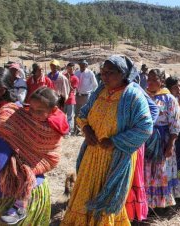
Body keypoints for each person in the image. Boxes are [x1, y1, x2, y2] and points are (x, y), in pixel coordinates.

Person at [61, 55, 153, 225]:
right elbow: (83, 114)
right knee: (85, 194)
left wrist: (114, 141)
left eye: (110, 73)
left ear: (123, 73)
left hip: (115, 157)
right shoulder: (100, 91)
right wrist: (87, 130)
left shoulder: (133, 95)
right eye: (103, 72)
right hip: (92, 154)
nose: (104, 77)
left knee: (107, 198)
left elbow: (145, 127)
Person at [0, 67, 52, 225]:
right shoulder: (7, 111)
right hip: (15, 193)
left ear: (1, 90)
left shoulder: (5, 119)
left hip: (18, 200)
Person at [0, 87, 68, 224]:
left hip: (46, 158)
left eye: (39, 111)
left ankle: (20, 206)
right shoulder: (28, 114)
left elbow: (48, 138)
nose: (34, 114)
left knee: (24, 171)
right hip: (29, 154)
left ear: (53, 110)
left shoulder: (56, 122)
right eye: (31, 108)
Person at [144, 69, 180, 209]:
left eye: (154, 80)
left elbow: (176, 122)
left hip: (162, 141)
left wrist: (171, 144)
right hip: (145, 140)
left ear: (161, 82)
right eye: (149, 79)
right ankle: (147, 203)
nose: (150, 82)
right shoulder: (143, 95)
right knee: (147, 170)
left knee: (161, 170)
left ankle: (161, 203)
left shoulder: (168, 99)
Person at [165, 75, 180, 187]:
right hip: (168, 137)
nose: (179, 89)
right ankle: (167, 186)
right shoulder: (165, 100)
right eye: (176, 87)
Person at [74, 59, 98, 134]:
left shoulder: (90, 73)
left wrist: (92, 95)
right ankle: (76, 129)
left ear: (86, 65)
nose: (82, 65)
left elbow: (95, 85)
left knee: (86, 114)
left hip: (86, 96)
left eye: (84, 64)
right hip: (77, 96)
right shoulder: (76, 73)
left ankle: (85, 131)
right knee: (77, 113)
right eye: (81, 64)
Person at [63, 62, 79, 136]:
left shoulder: (75, 78)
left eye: (72, 68)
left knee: (69, 116)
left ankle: (68, 131)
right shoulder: (63, 76)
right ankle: (61, 129)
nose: (71, 70)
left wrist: (69, 81)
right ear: (67, 68)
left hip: (70, 99)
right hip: (63, 99)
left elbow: (73, 89)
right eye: (69, 68)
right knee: (62, 115)